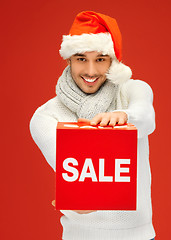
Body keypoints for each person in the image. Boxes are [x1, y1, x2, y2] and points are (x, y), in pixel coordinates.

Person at [29, 11, 156, 240]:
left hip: (139, 236)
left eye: (100, 59)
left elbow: (146, 118)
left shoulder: (132, 91)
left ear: (113, 61)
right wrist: (77, 195)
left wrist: (123, 118)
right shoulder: (46, 117)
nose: (90, 71)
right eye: (81, 59)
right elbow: (81, 175)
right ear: (68, 59)